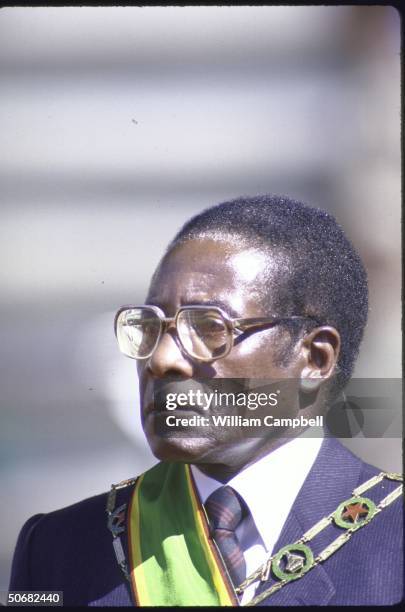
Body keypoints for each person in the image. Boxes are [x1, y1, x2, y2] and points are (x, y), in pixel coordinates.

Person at [9, 195, 403, 606]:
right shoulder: (59, 548)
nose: (161, 360)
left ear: (315, 357)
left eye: (209, 329)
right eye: (149, 327)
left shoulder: (393, 537)